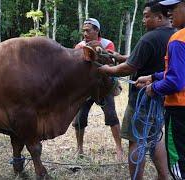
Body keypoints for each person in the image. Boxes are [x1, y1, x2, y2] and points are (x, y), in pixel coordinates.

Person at [99, 1, 175, 179]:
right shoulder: (175, 35)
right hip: (163, 96)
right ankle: (164, 176)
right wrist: (119, 57)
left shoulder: (148, 38)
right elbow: (138, 58)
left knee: (136, 139)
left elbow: (129, 68)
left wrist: (106, 70)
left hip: (143, 98)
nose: (143, 20)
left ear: (159, 17)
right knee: (155, 136)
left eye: (147, 16)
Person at [135, 0, 185, 179]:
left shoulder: (178, 39)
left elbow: (175, 81)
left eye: (173, 8)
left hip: (179, 111)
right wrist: (154, 77)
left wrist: (154, 88)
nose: (169, 13)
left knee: (178, 162)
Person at [72, 18, 124, 161]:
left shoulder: (108, 44)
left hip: (104, 87)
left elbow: (112, 62)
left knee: (112, 116)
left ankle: (119, 149)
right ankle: (79, 149)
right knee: (79, 119)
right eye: (83, 30)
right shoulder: (80, 46)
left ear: (97, 30)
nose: (85, 33)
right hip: (86, 89)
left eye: (88, 30)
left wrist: (101, 52)